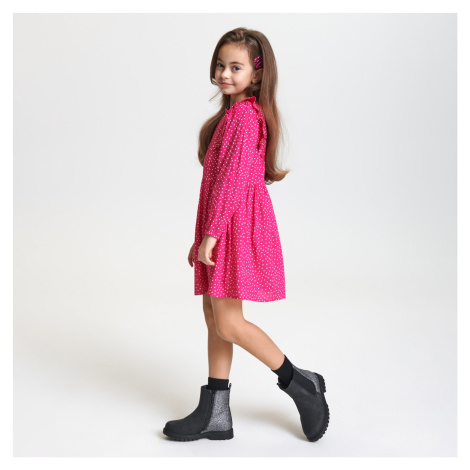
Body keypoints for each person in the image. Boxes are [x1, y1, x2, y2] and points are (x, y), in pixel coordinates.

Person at [163, 27, 329, 443]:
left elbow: (233, 183)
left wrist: (212, 234)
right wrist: (203, 234)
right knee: (214, 318)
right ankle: (216, 412)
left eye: (235, 67)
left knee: (230, 322)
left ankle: (301, 383)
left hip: (232, 226)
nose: (224, 73)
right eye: (221, 65)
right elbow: (219, 182)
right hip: (223, 224)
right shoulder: (231, 116)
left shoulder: (244, 117)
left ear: (256, 74)